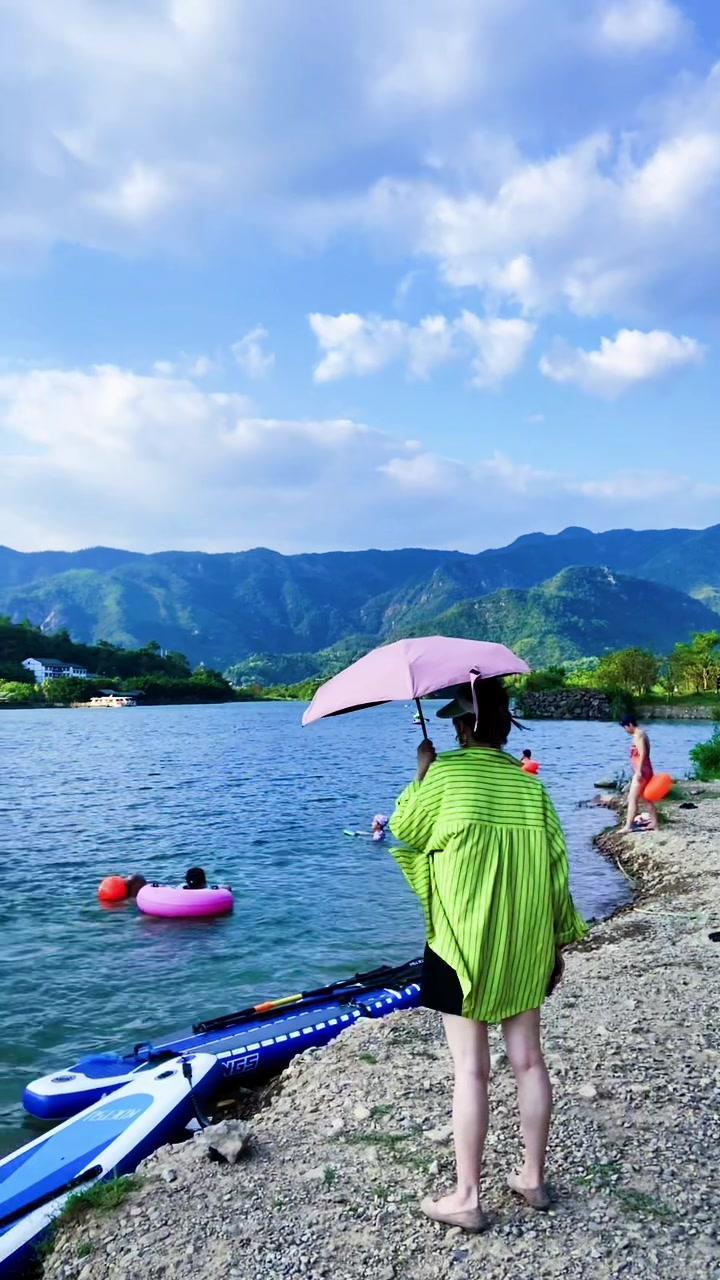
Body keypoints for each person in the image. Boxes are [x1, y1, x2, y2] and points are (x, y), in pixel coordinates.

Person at [388, 677, 587, 1231]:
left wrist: (422, 772)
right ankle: (532, 1177)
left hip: (461, 943)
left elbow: (405, 831)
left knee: (471, 1070)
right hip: (526, 940)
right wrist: (557, 940)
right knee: (528, 1061)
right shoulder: (531, 787)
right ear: (503, 725)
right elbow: (557, 871)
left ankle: (468, 1197)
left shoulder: (447, 773)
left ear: (459, 726)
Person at [619, 715, 657, 833]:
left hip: (642, 772)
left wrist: (639, 771)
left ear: (630, 725)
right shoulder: (638, 735)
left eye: (625, 727)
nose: (625, 730)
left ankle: (628, 826)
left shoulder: (639, 735)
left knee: (632, 798)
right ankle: (654, 823)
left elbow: (643, 754)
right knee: (647, 798)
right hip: (644, 770)